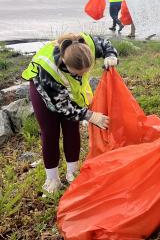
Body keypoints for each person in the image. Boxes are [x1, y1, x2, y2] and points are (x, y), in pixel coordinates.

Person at [22, 33, 119, 193]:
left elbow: (105, 43)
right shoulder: (49, 69)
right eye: (77, 73)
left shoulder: (85, 45)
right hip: (43, 91)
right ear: (65, 63)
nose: (81, 76)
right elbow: (63, 107)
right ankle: (52, 179)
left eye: (85, 72)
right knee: (50, 132)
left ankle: (72, 172)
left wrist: (110, 55)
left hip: (70, 92)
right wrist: (91, 116)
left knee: (72, 128)